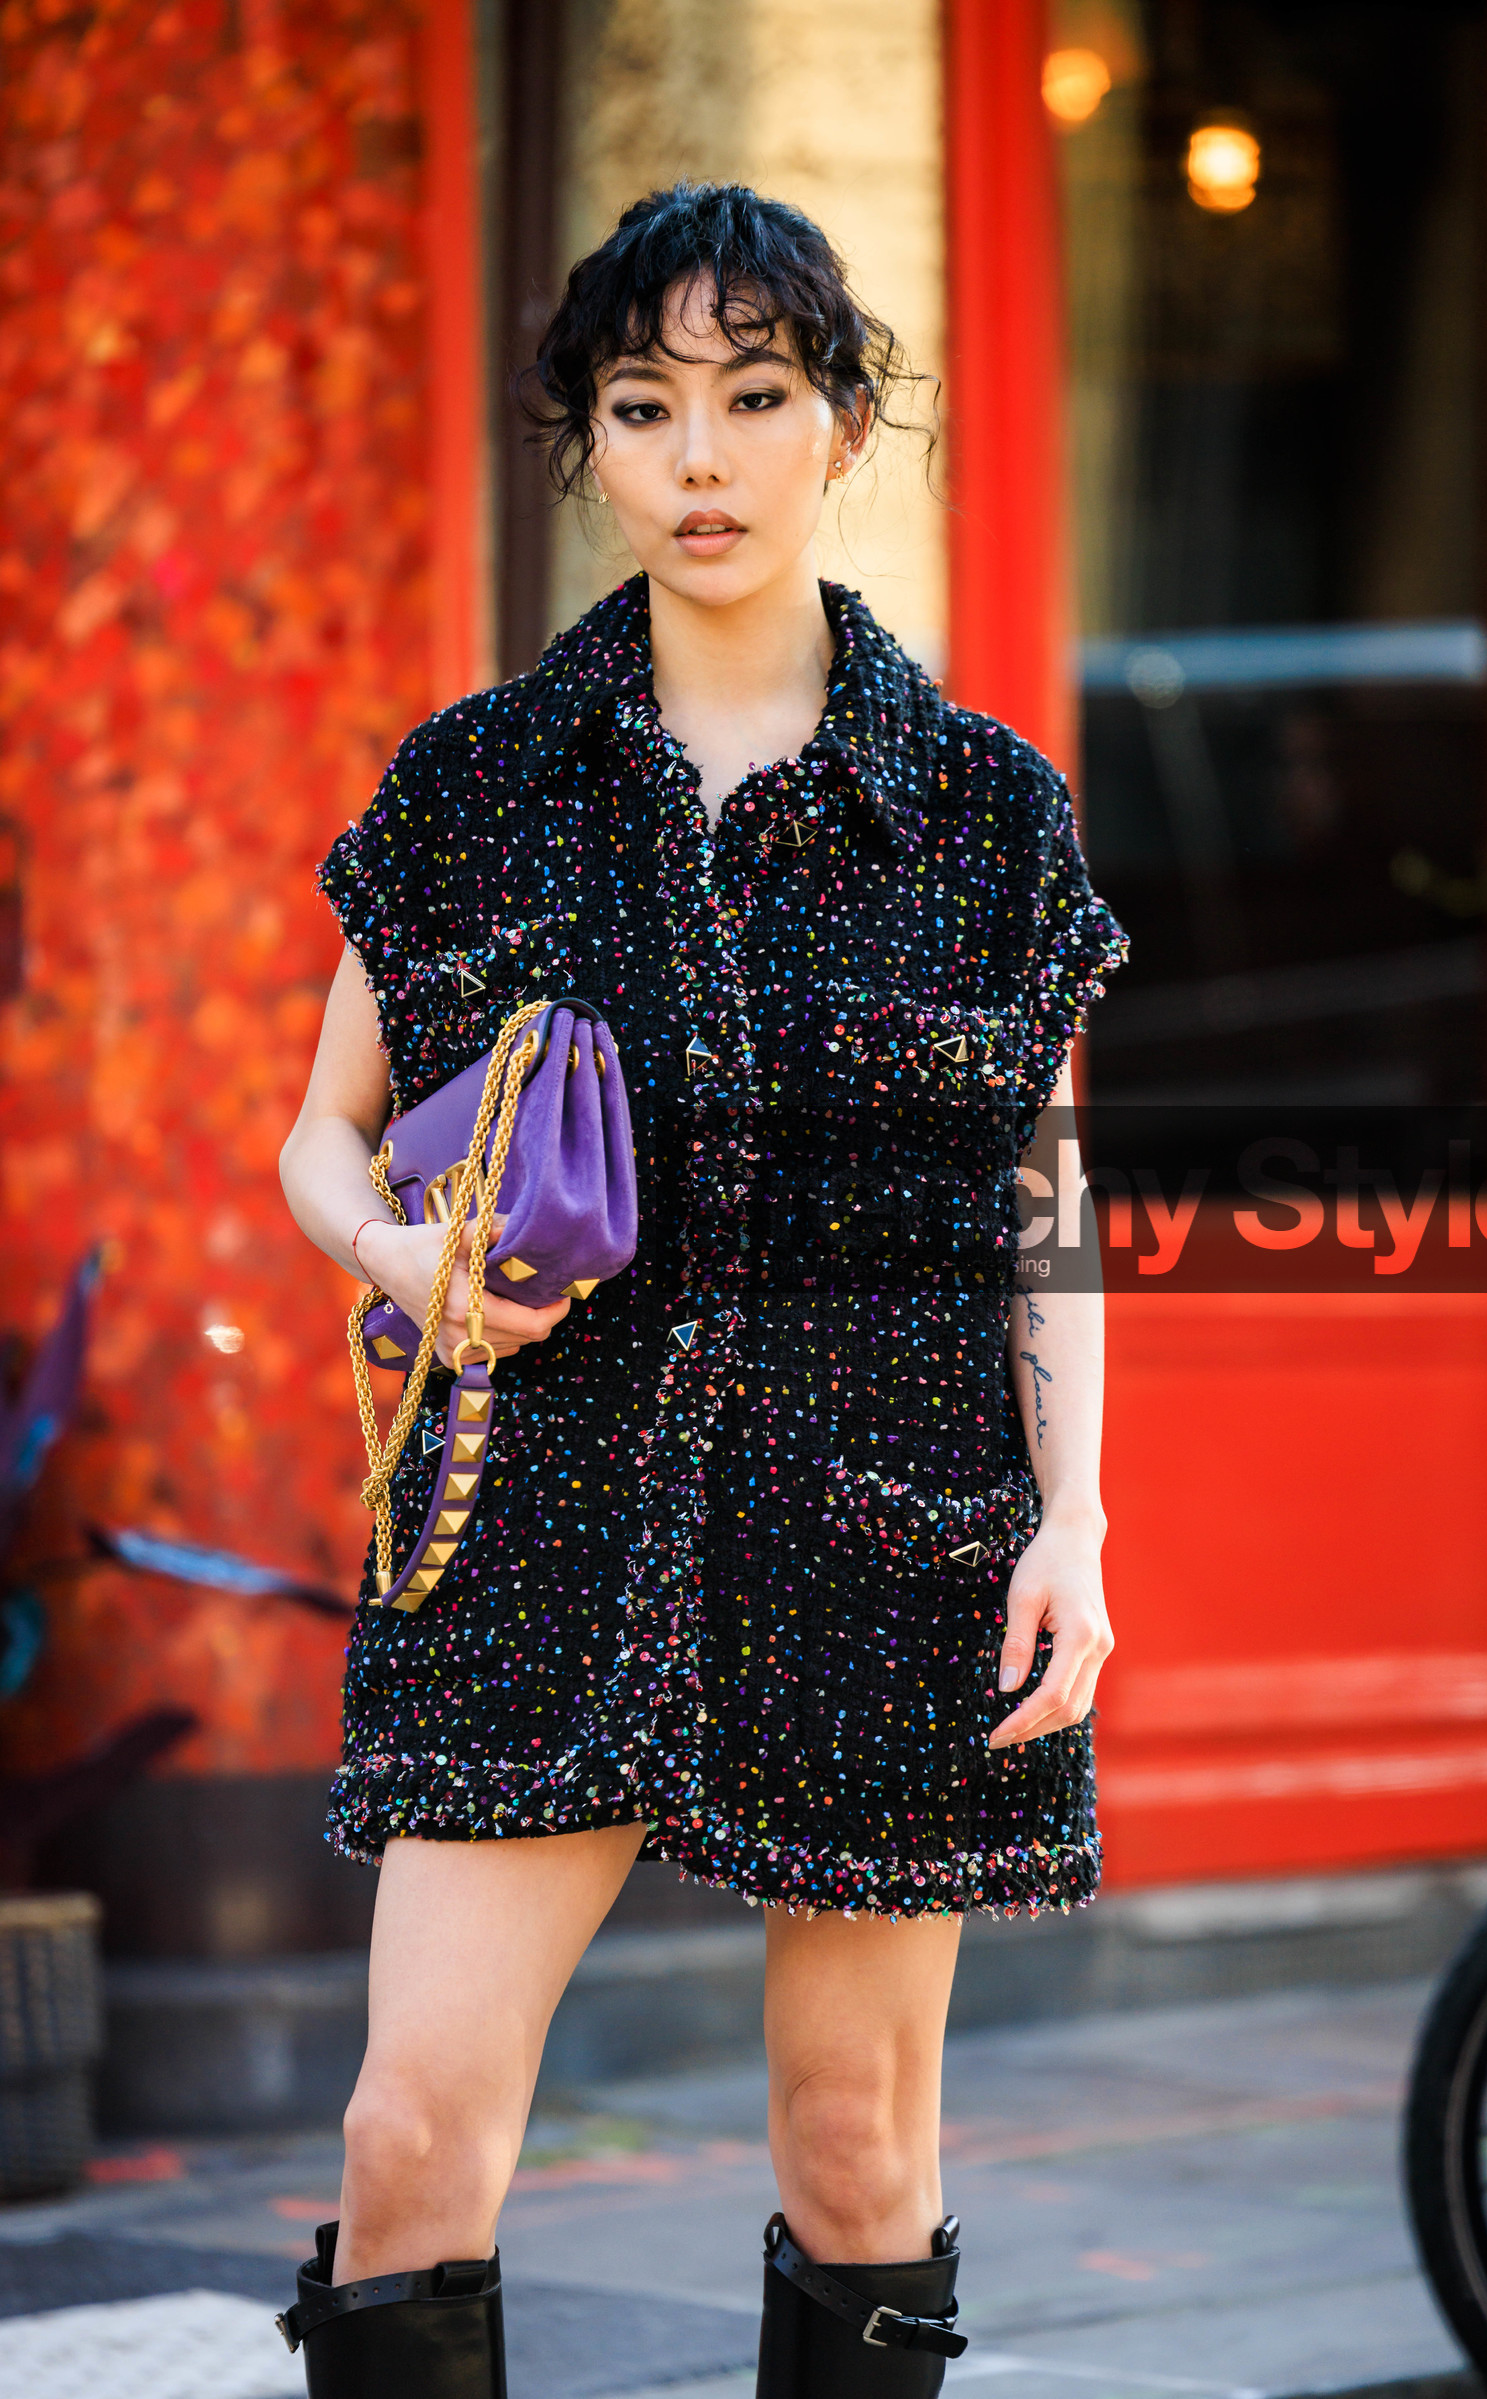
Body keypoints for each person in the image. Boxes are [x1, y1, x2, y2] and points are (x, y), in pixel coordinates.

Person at [276, 181, 1124, 2399]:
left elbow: (1044, 1198)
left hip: (885, 1525)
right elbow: (318, 1135)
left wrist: (1074, 1521)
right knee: (406, 2133)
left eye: (753, 397)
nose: (700, 458)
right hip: (532, 1516)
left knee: (856, 2144)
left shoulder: (984, 813)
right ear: (589, 445)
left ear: (842, 423)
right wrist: (399, 1259)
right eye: (643, 407)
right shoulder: (477, 786)